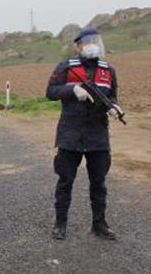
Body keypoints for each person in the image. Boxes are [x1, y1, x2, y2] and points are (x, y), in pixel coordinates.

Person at [46, 27, 121, 241]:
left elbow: (112, 97)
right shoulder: (66, 67)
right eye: (87, 41)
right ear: (78, 45)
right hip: (71, 135)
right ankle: (60, 223)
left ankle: (99, 224)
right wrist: (72, 90)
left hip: (98, 135)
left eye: (96, 41)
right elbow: (50, 92)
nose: (92, 45)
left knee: (99, 183)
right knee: (65, 181)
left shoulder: (108, 70)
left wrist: (115, 108)